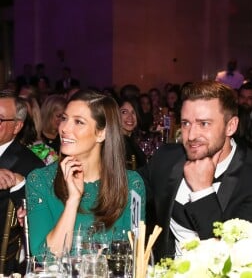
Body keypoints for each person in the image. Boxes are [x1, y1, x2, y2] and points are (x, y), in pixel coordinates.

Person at [138, 81, 252, 260]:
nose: (191, 135)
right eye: (185, 123)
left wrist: (202, 192)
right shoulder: (167, 158)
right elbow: (127, 186)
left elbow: (234, 260)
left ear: (230, 126)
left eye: (204, 124)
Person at [26, 90, 145, 257]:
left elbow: (134, 254)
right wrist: (73, 201)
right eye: (64, 119)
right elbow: (46, 257)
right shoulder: (40, 181)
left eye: (79, 122)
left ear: (101, 133)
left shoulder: (131, 185)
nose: (65, 128)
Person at [0, 91, 44, 275]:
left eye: (0, 119)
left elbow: (35, 215)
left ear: (17, 126)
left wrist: (18, 182)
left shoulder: (30, 164)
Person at [119, 98, 147, 169]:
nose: (130, 117)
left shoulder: (133, 140)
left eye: (133, 112)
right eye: (124, 112)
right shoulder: (118, 143)